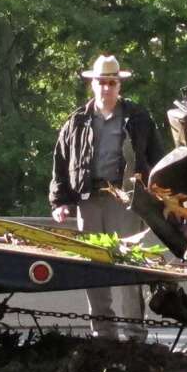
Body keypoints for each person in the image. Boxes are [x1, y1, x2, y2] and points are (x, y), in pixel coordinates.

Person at [49, 54, 165, 341]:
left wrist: (160, 198)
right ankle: (103, 334)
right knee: (93, 268)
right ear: (93, 84)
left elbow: (157, 160)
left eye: (111, 82)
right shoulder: (77, 121)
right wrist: (60, 201)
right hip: (89, 200)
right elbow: (61, 162)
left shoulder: (138, 118)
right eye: (101, 82)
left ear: (119, 85)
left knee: (128, 266)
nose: (106, 88)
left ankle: (135, 335)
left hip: (126, 200)